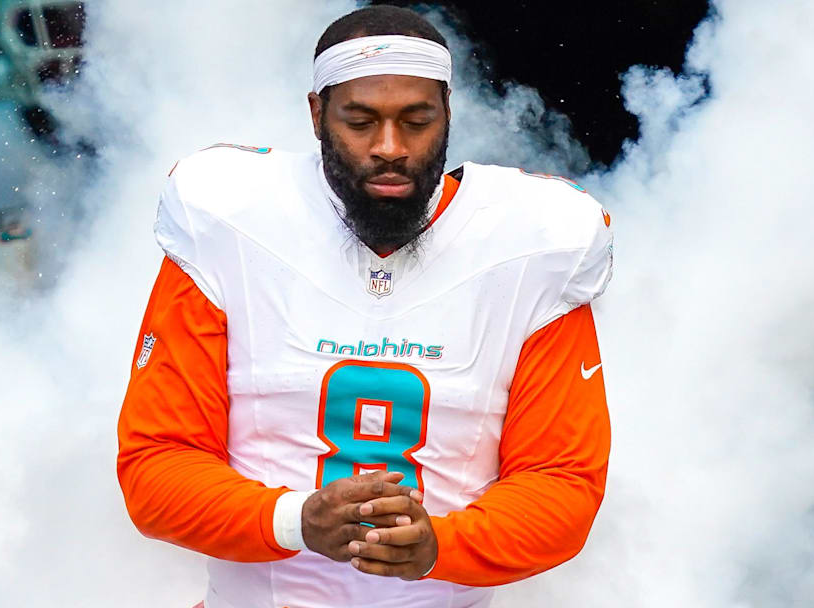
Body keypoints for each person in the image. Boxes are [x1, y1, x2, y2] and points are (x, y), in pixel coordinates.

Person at [116, 6, 614, 608]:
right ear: (317, 114)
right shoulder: (228, 218)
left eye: (416, 120)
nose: (389, 148)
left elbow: (562, 480)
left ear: (448, 115)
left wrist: (441, 547)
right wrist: (294, 520)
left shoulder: (535, 240)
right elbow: (156, 462)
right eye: (360, 121)